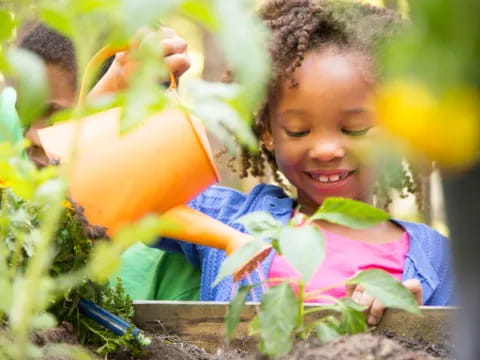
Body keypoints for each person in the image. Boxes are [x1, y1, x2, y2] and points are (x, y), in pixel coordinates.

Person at [153, 0, 453, 325]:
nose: (325, 150)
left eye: (356, 129)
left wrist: (411, 324)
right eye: (298, 130)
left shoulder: (438, 259)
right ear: (268, 132)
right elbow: (136, 197)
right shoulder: (230, 221)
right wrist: (144, 86)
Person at [17, 22, 201, 301]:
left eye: (56, 118)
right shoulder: (20, 226)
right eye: (24, 119)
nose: (30, 136)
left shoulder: (173, 256)